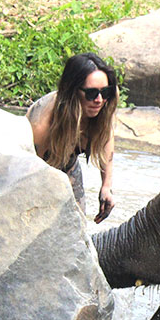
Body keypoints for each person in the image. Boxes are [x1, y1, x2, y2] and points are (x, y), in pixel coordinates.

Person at [27, 53, 117, 223]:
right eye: (91, 93)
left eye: (105, 91)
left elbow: (106, 137)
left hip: (68, 161)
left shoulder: (106, 103)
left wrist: (106, 187)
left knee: (78, 224)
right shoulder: (42, 124)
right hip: (33, 165)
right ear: (73, 92)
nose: (99, 100)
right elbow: (25, 175)